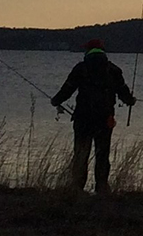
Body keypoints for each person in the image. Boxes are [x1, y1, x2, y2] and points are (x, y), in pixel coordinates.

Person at [51, 38, 135, 194]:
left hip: (83, 118)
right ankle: (102, 187)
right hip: (105, 119)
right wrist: (131, 100)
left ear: (88, 51)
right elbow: (123, 92)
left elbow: (67, 89)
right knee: (102, 153)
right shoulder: (113, 70)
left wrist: (55, 100)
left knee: (81, 153)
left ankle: (77, 187)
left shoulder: (81, 68)